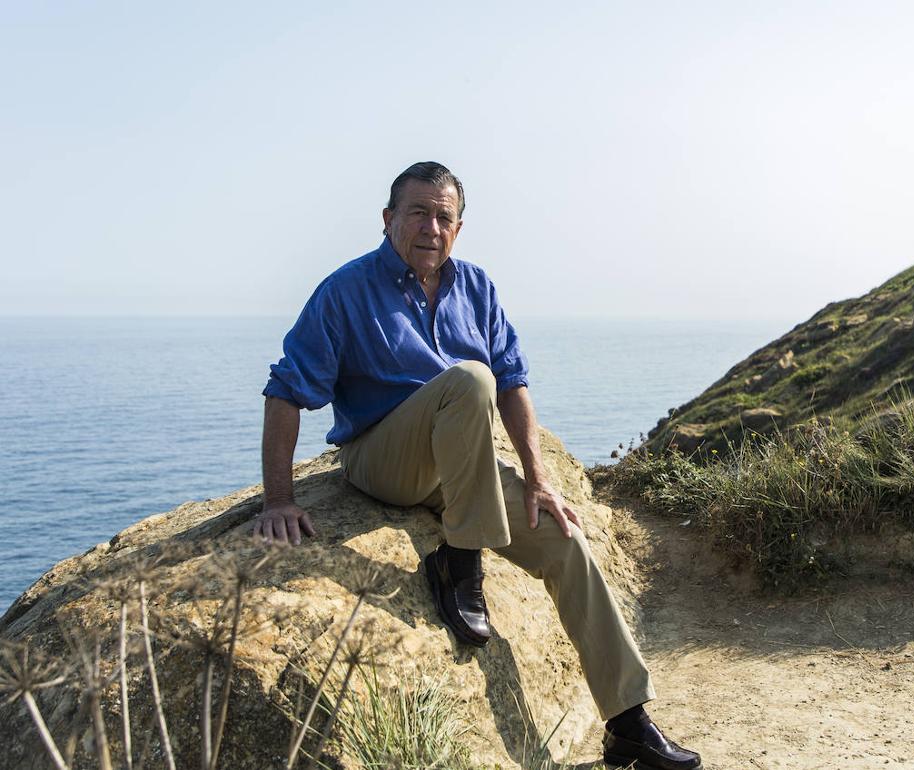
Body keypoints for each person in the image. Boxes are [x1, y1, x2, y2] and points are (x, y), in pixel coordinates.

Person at [253, 162, 701, 770]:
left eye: (444, 216)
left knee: (566, 544)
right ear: (388, 220)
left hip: (460, 466)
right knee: (467, 378)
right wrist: (278, 499)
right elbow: (286, 390)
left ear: (459, 227)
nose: (430, 227)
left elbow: (514, 385)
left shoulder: (477, 288)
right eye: (417, 212)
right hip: (384, 458)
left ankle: (629, 721)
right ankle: (459, 564)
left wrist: (540, 480)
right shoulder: (346, 291)